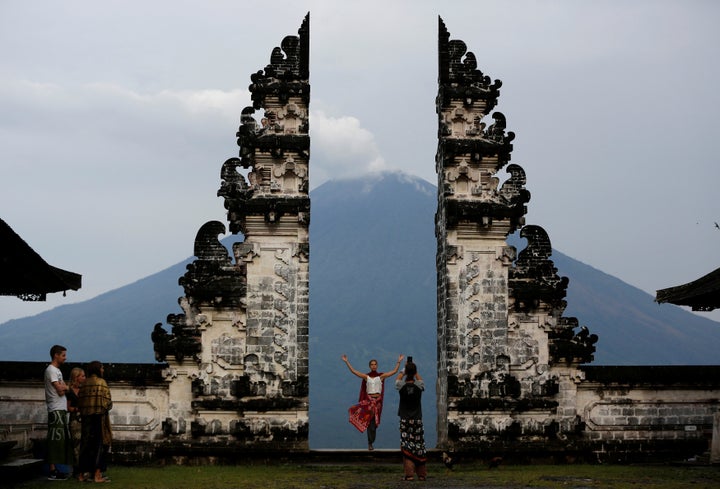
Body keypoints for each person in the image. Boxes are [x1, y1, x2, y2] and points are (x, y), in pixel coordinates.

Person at [342, 353, 404, 450]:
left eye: (375, 364)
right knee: (370, 422)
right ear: (370, 366)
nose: (374, 366)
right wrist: (347, 362)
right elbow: (354, 371)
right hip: (369, 402)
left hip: (377, 402)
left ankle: (371, 441)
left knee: (375, 423)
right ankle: (370, 443)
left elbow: (394, 371)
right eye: (372, 364)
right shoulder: (366, 377)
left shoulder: (381, 377)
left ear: (377, 366)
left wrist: (399, 361)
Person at [78, 361, 113, 483]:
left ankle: (81, 475)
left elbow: (80, 402)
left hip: (86, 418)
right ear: (98, 369)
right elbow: (108, 403)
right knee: (99, 446)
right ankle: (97, 475)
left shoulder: (84, 383)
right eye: (102, 368)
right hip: (99, 418)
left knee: (85, 445)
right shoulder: (101, 382)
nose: (103, 370)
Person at [44, 344, 73, 480]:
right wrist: (67, 387)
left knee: (60, 440)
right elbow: (60, 390)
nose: (65, 358)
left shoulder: (57, 371)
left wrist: (64, 387)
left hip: (60, 408)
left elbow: (63, 388)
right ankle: (52, 470)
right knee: (55, 440)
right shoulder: (51, 370)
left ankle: (55, 469)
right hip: (55, 408)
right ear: (56, 355)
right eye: (63, 355)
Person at [396, 360, 427, 481]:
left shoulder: (401, 386)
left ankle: (409, 475)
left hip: (405, 420)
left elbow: (397, 379)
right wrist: (414, 371)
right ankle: (421, 474)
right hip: (417, 420)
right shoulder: (419, 386)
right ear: (414, 373)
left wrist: (403, 371)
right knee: (419, 446)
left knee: (406, 446)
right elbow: (421, 381)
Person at [66, 367, 86, 481]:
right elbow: (67, 408)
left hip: (84, 420)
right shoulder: (69, 391)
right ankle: (78, 470)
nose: (84, 378)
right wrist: (77, 409)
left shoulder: (84, 389)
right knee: (76, 446)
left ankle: (84, 470)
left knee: (84, 445)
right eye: (82, 376)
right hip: (75, 420)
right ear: (76, 377)